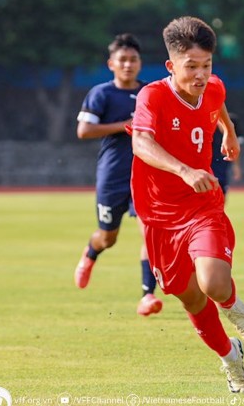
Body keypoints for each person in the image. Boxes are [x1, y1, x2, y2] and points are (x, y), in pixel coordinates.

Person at [129, 16, 244, 394]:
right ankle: (230, 358)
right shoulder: (152, 96)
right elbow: (141, 144)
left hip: (202, 206)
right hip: (158, 216)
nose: (201, 74)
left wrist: (229, 135)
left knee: (214, 285)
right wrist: (183, 169)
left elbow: (217, 107)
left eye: (207, 65)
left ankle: (234, 305)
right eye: (192, 67)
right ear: (172, 66)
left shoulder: (214, 88)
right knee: (190, 297)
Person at [74, 33, 163, 317]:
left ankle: (147, 295)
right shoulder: (102, 93)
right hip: (113, 175)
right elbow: (84, 131)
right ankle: (91, 253)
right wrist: (125, 125)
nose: (128, 64)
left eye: (133, 59)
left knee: (151, 234)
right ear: (111, 63)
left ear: (140, 63)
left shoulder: (151, 93)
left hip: (146, 176)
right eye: (122, 60)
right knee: (108, 237)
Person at [211, 112, 243, 199]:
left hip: (223, 162)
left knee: (222, 189)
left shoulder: (232, 121)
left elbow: (236, 145)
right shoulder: (208, 120)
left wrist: (236, 165)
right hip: (208, 162)